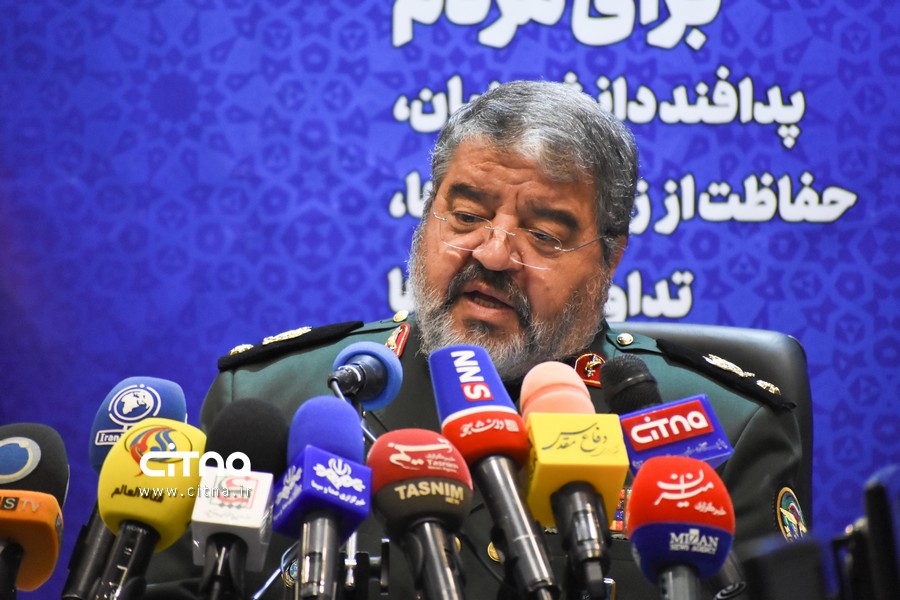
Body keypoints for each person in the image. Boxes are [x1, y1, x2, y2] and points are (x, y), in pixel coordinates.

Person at [150, 80, 806, 599]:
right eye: (466, 216)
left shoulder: (722, 429)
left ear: (610, 260)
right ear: (427, 217)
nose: (492, 253)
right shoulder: (274, 402)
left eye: (543, 235)